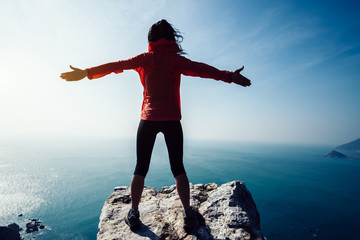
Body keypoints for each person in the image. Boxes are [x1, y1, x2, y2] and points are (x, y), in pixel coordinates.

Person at [60, 19, 251, 233]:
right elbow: (202, 70)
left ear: (150, 39)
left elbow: (116, 65)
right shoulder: (176, 60)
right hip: (171, 119)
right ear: (171, 38)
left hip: (148, 118)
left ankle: (133, 213)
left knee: (140, 167)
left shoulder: (144, 59)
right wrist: (229, 76)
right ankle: (188, 214)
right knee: (178, 168)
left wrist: (86, 73)